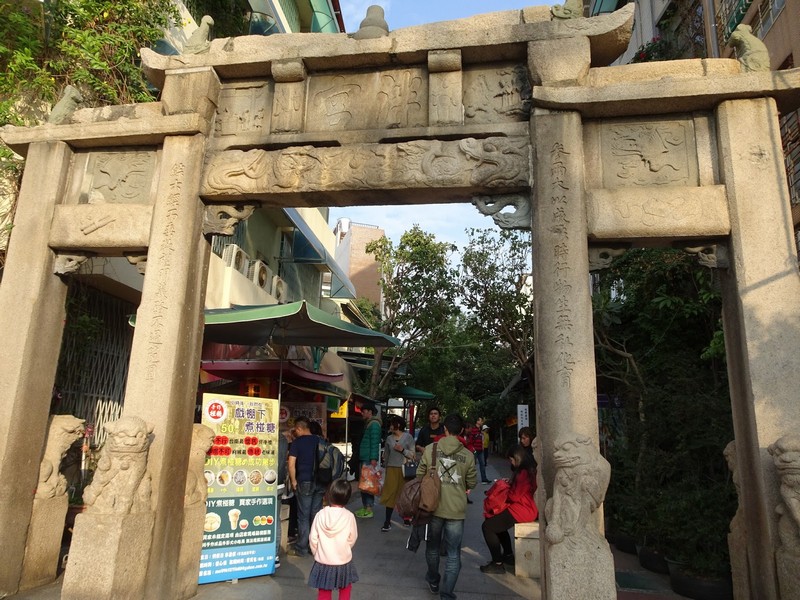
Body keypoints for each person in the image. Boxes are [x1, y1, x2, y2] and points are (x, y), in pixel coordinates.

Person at [417, 413, 477, 599]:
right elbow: (472, 482)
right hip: (456, 511)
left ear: (444, 429)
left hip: (432, 507)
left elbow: (419, 475)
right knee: (453, 554)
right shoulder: (467, 455)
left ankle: (433, 579)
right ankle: (447, 593)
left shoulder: (430, 449)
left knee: (432, 547)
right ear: (461, 431)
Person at [479, 445, 538, 574]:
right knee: (494, 522)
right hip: (524, 508)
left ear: (517, 458)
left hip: (521, 510)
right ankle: (507, 555)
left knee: (487, 527)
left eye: (511, 460)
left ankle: (498, 563)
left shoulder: (523, 473)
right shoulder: (529, 470)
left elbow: (514, 496)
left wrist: (507, 488)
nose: (510, 463)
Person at [308, 479, 359, 600]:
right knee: (345, 588)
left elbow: (313, 538)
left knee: (324, 591)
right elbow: (353, 538)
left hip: (323, 561)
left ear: (329, 494)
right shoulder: (349, 516)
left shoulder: (320, 514)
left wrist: (318, 553)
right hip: (343, 561)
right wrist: (345, 549)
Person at [288, 417, 325, 557]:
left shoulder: (297, 443)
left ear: (298, 429)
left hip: (304, 481)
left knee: (303, 516)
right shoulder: (320, 440)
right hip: (321, 482)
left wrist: (293, 481)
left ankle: (301, 548)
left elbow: (291, 464)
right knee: (315, 515)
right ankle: (314, 547)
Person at [379, 415, 415, 531]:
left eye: (391, 424)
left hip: (405, 470)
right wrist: (383, 466)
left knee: (404, 494)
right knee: (390, 493)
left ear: (398, 425)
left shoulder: (408, 437)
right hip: (391, 469)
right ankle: (387, 521)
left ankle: (406, 518)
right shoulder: (389, 439)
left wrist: (403, 450)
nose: (390, 426)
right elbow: (386, 455)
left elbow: (413, 455)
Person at [355, 401, 381, 518]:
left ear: (370, 412)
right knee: (364, 484)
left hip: (368, 459)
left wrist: (373, 459)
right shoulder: (369, 424)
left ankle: (369, 508)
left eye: (364, 411)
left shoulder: (374, 424)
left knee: (368, 484)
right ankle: (365, 507)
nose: (362, 414)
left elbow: (374, 443)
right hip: (365, 458)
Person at [466, 417, 491, 485]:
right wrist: (473, 449)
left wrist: (482, 446)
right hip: (475, 450)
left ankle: (484, 479)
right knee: (472, 465)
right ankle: (471, 480)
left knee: (482, 464)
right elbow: (470, 440)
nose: (482, 421)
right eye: (480, 420)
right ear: (477, 421)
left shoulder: (480, 430)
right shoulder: (473, 429)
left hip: (480, 450)